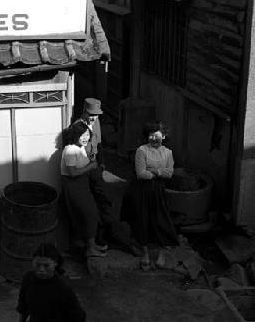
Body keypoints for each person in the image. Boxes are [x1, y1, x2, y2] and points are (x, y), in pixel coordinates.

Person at [72, 98, 140, 257]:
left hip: (95, 167)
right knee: (90, 205)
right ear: (84, 112)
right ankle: (94, 237)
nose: (94, 118)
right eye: (91, 115)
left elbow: (99, 145)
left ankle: (104, 233)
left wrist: (102, 164)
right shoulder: (77, 127)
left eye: (96, 115)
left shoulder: (96, 124)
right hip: (84, 169)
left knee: (103, 200)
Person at [120, 121, 179, 270]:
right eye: (150, 135)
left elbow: (170, 173)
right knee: (142, 221)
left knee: (161, 221)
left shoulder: (168, 153)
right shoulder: (141, 150)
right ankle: (145, 254)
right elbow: (141, 174)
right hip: (141, 190)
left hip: (158, 191)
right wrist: (160, 172)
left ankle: (161, 254)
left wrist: (153, 171)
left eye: (156, 135)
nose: (153, 138)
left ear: (163, 136)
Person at [61, 121, 106, 258]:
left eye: (87, 135)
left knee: (90, 214)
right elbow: (72, 172)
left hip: (82, 185)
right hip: (74, 186)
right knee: (89, 214)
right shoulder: (70, 150)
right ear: (75, 136)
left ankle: (91, 245)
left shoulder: (80, 148)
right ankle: (89, 248)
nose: (86, 138)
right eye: (82, 135)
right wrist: (91, 166)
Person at [17, 243, 86, 322]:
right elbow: (23, 308)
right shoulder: (28, 279)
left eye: (46, 265)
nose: (41, 270)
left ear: (55, 263)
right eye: (37, 265)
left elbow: (78, 317)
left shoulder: (64, 289)